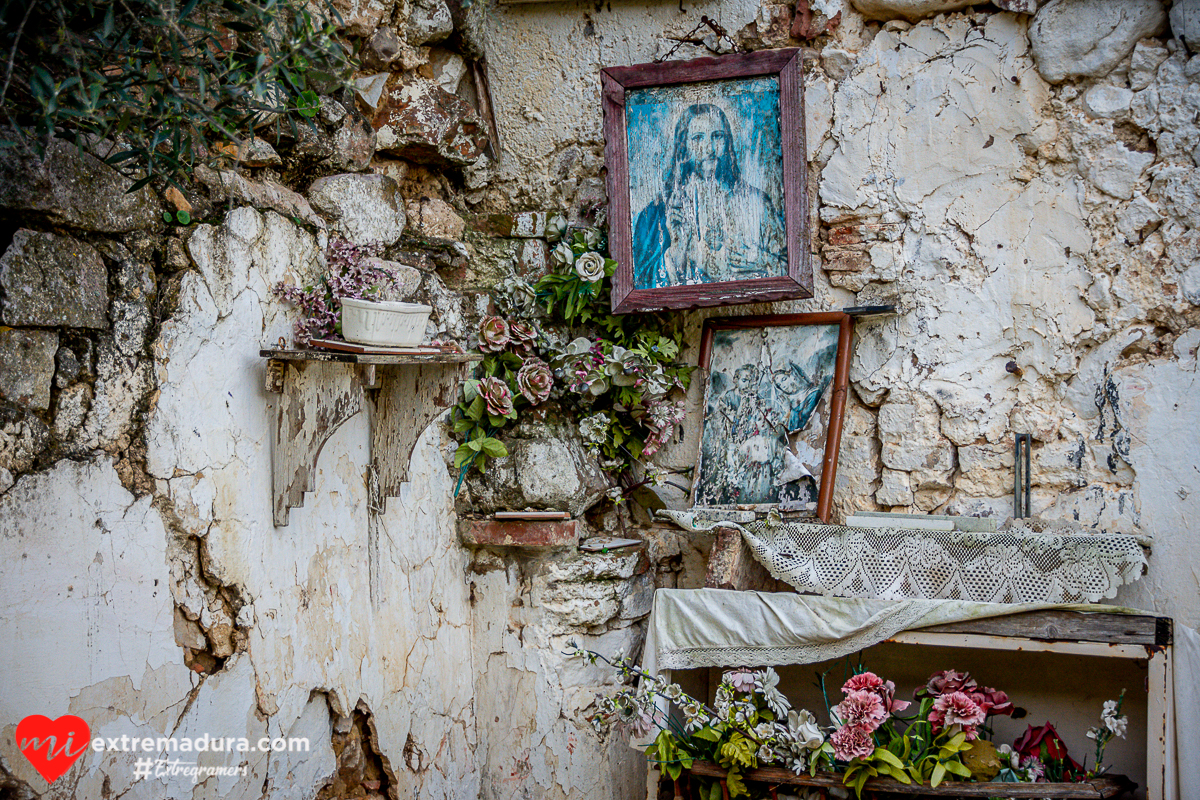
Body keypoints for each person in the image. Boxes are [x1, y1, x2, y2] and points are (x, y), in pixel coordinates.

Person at [633, 103, 785, 289]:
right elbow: (641, 283)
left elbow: (787, 263)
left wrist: (762, 260)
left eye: (717, 136)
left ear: (727, 142)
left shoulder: (757, 203)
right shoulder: (658, 213)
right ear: (684, 147)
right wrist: (676, 252)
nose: (709, 148)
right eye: (697, 138)